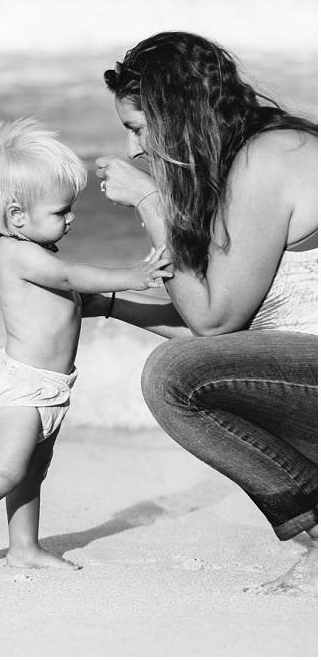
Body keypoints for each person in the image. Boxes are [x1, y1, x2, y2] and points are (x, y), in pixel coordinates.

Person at [96, 31, 318, 594]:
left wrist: (150, 201)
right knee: (183, 367)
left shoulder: (270, 159)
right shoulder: (245, 159)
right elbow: (227, 328)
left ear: (177, 112)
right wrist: (105, 303)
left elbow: (213, 325)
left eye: (138, 128)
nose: (133, 151)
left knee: (170, 376)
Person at [0, 119, 172, 577]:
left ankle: (24, 547)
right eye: (61, 211)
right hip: (21, 388)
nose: (71, 218)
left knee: (32, 472)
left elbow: (79, 297)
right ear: (18, 215)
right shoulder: (18, 253)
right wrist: (131, 275)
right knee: (3, 473)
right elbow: (71, 278)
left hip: (51, 387)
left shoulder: (38, 250)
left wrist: (139, 286)